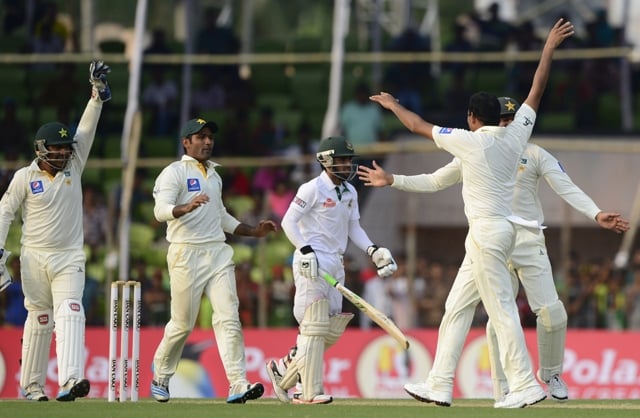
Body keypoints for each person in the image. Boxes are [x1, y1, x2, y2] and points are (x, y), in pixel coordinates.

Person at [357, 95, 630, 405]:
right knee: (472, 310)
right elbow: (435, 181)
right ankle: (470, 386)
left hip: (523, 239)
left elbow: (565, 185)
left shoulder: (529, 152)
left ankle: (549, 374)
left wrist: (594, 213)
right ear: (496, 120)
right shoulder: (477, 149)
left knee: (549, 314)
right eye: (504, 119)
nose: (509, 124)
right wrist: (394, 179)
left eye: (513, 120)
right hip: (492, 239)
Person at [367, 19, 575, 408]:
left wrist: (393, 104)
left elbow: (416, 125)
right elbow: (536, 91)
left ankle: (524, 386)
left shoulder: (468, 141)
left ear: (472, 118)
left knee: (501, 312)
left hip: (486, 234)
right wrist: (547, 49)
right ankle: (440, 383)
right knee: (457, 306)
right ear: (498, 116)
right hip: (499, 233)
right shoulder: (516, 136)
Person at [0, 60, 111, 401]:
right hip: (33, 258)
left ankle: (70, 380)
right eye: (57, 148)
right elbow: (4, 211)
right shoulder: (24, 177)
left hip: (69, 256)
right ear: (41, 149)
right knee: (40, 317)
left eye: (66, 148)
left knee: (70, 310)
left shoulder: (74, 165)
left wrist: (97, 96)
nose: (64, 152)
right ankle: (31, 386)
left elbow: (86, 130)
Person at [149, 117, 278, 403]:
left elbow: (221, 217)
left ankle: (237, 383)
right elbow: (160, 211)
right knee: (182, 324)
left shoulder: (215, 175)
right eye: (200, 137)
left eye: (210, 137)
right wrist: (185, 207)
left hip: (217, 253)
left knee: (228, 317)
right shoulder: (174, 172)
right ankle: (161, 373)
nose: (207, 141)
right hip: (185, 252)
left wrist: (253, 231)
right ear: (186, 142)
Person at [265, 136, 398, 404]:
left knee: (331, 328)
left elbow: (354, 228)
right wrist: (304, 250)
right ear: (326, 160)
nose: (347, 164)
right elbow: (289, 222)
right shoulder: (311, 188)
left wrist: (373, 250)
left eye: (349, 159)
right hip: (311, 261)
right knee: (313, 326)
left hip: (335, 262)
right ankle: (307, 391)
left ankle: (284, 369)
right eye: (342, 160)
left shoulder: (350, 192)